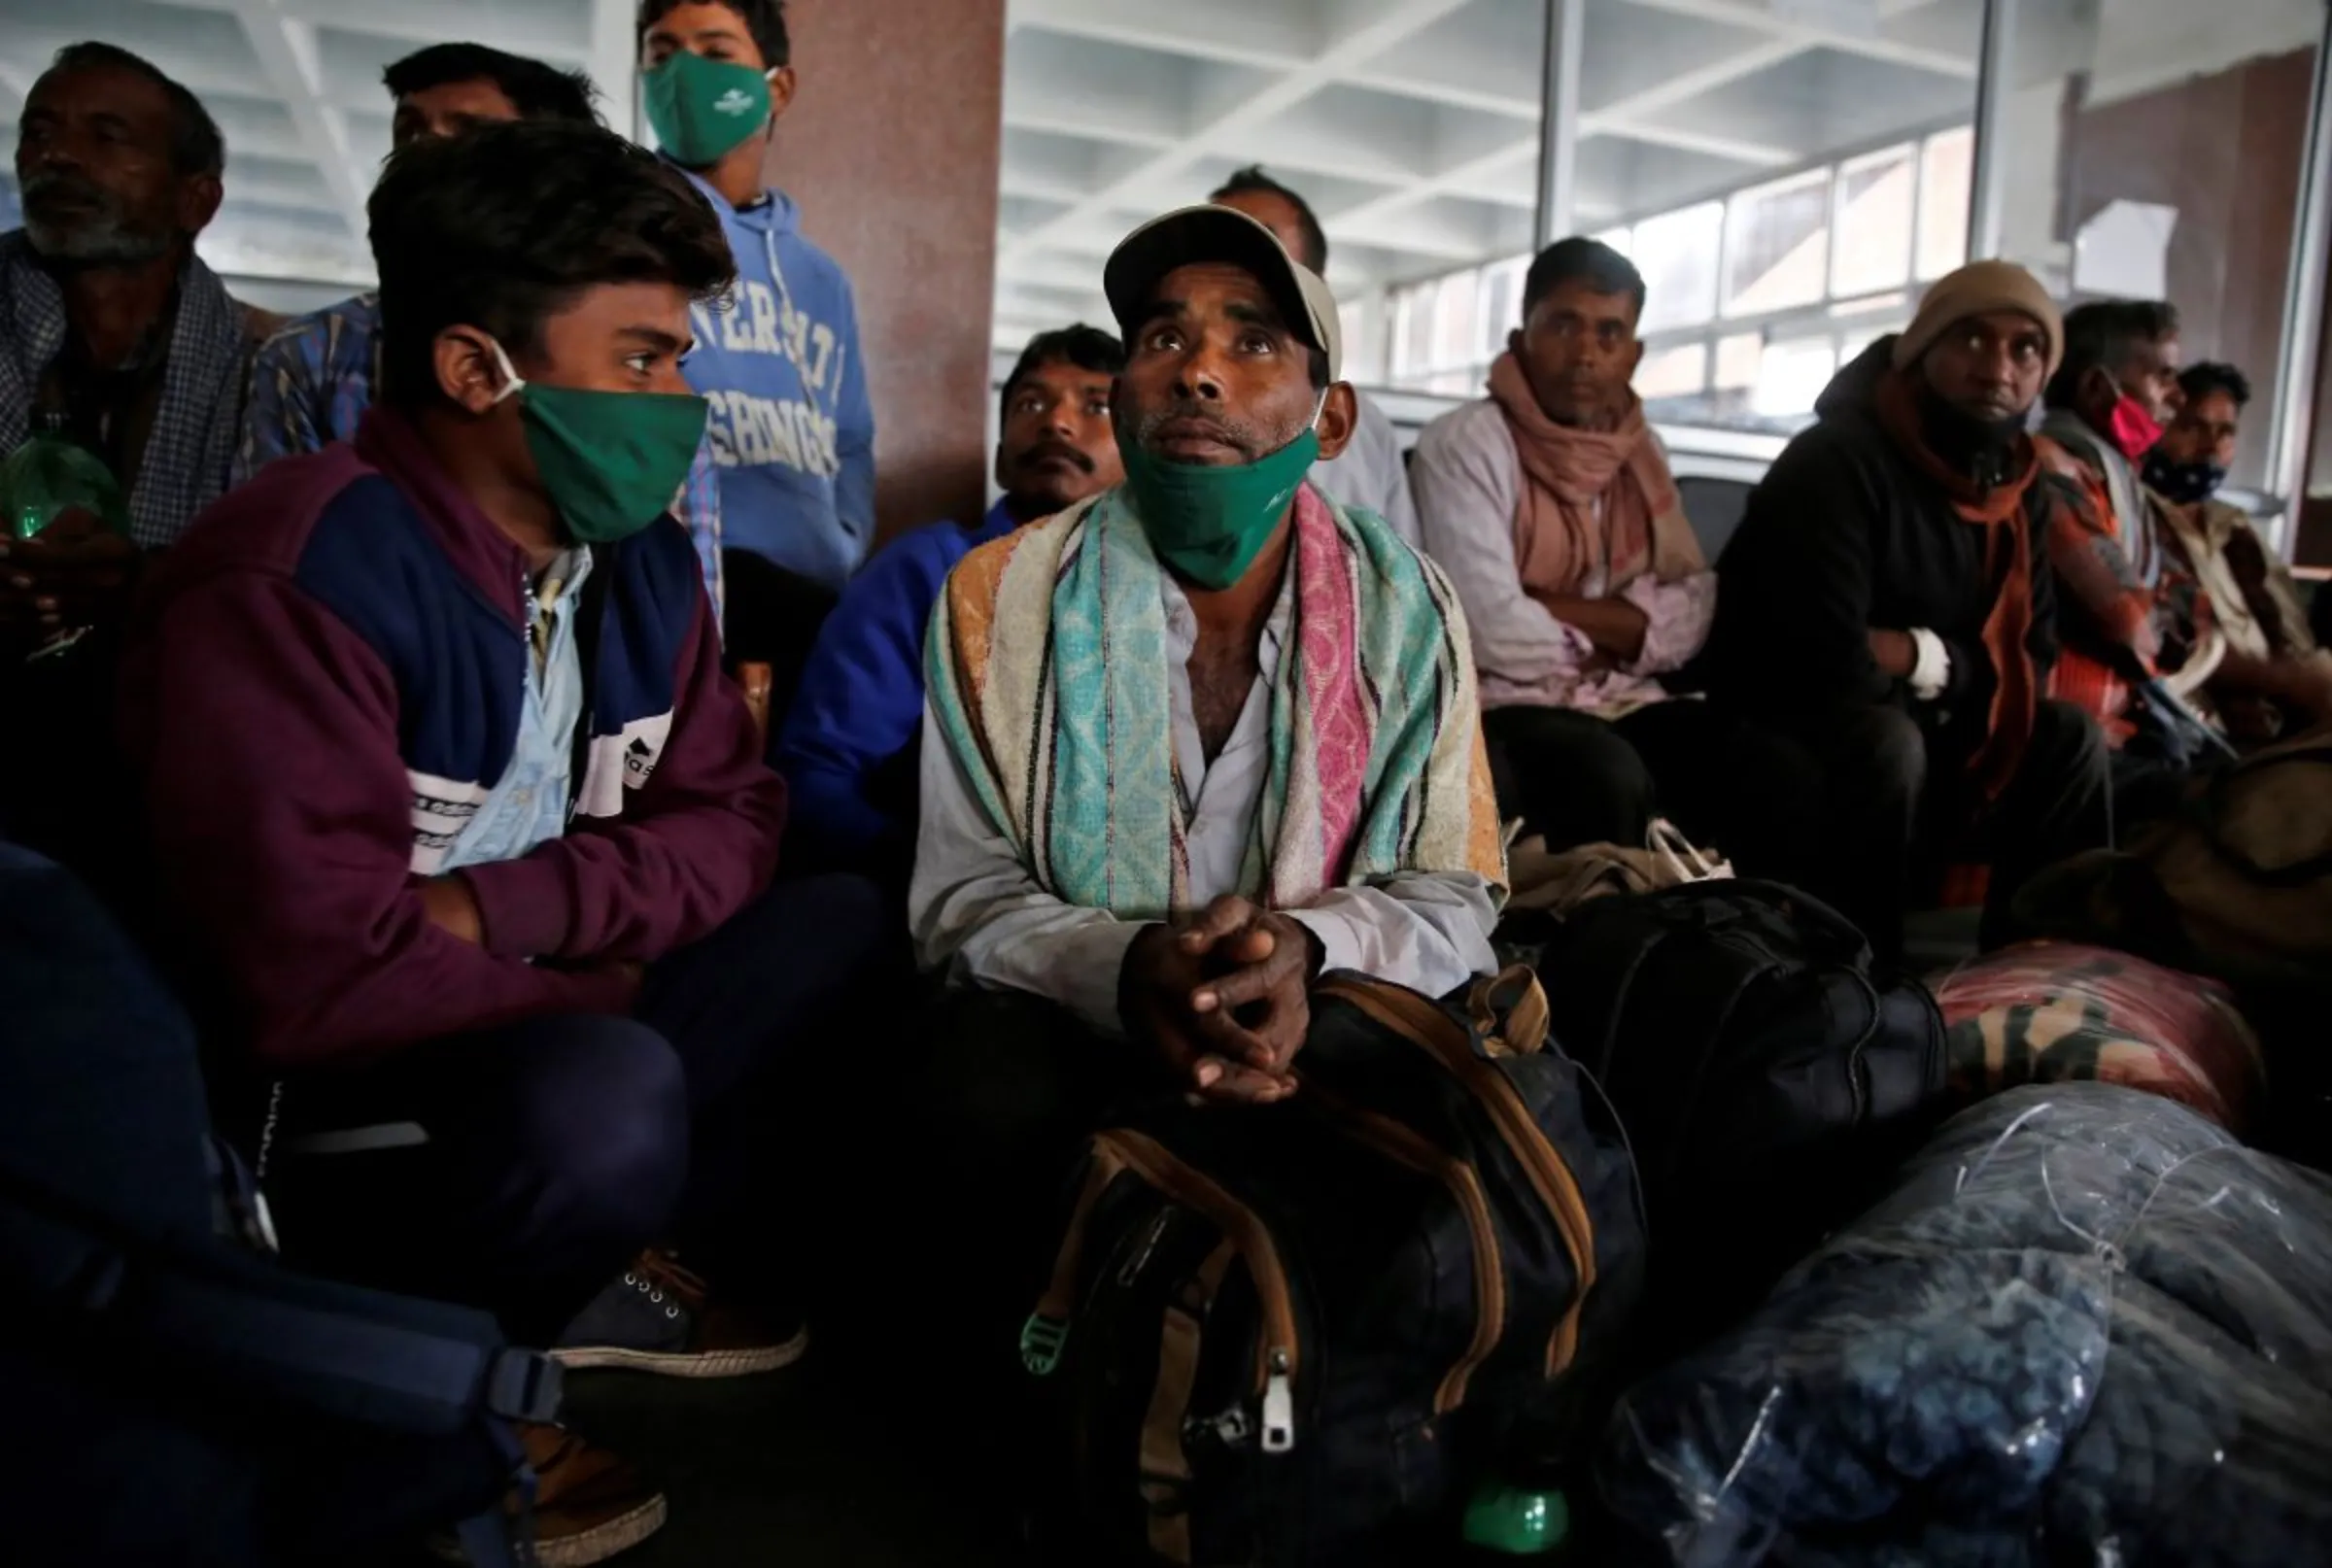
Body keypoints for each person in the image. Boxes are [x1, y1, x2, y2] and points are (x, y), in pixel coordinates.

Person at [118, 120, 892, 1565]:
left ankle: (581, 1260)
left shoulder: (641, 560)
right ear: (477, 368)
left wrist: (515, 904)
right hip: (310, 1093)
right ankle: (430, 1376)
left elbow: (736, 813)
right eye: (644, 362)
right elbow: (306, 985)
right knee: (610, 1092)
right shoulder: (295, 578)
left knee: (835, 925)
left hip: (509, 975)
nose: (682, 404)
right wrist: (600, 966)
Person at [909, 206, 1504, 1410]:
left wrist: (1306, 951)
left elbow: (1453, 887)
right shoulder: (1002, 596)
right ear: (1126, 394)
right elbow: (962, 900)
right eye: (1164, 338)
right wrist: (1126, 970)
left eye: (1255, 344)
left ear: (1330, 420)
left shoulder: (1411, 610)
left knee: (1446, 1106)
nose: (1198, 369)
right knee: (972, 1081)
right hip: (1082, 1015)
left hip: (1320, 1010)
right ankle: (1040, 1414)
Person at [225, 47, 748, 620]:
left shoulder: (654, 537)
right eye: (410, 131)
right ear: (470, 368)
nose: (426, 154)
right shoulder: (305, 569)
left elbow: (695, 667)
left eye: (472, 136)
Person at [1702, 260, 2111, 959]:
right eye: (1972, 340)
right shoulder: (1837, 459)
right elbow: (1830, 659)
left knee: (2069, 736)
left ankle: (2038, 973)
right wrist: (1950, 667)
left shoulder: (2017, 486)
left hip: (1933, 722)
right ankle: (1860, 988)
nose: (1997, 369)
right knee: (1887, 743)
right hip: (1792, 719)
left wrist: (1919, 655)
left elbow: (2031, 660)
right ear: (1922, 352)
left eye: (2025, 349)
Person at [1409, 237, 1765, 863]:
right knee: (1601, 771)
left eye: (1608, 334)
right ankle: (1604, 952)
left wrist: (1548, 605)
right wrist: (1620, 634)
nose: (1585, 354)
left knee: (1757, 756)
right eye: (1564, 325)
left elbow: (1691, 611)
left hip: (1621, 693)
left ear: (1634, 354)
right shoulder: (1465, 443)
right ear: (1522, 337)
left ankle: (1731, 941)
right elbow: (1488, 629)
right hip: (1501, 698)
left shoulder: (1639, 452)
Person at [776, 324, 1124, 881]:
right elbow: (820, 775)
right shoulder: (929, 570)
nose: (1056, 421)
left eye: (1097, 407)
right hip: (906, 886)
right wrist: (939, 879)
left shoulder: (1159, 600)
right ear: (1001, 460)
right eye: (1031, 402)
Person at [638, 0, 874, 601]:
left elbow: (850, 439)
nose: (684, 75)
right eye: (662, 55)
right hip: (685, 574)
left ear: (778, 86)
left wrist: (843, 544)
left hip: (811, 591)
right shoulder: (630, 225)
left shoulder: (822, 279)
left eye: (716, 53)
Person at [2, 44, 246, 616]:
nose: (56, 156)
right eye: (38, 133)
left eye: (106, 138)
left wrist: (146, 579)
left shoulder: (261, 368)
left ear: (196, 201)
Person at [1211, 166, 1420, 544]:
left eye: (1263, 247)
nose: (1232, 270)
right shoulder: (1169, 398)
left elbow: (1405, 567)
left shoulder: (1367, 429)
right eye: (1214, 247)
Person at [2143, 360, 2332, 742]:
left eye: (2225, 431)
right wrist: (2289, 681)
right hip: (2207, 726)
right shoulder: (2139, 518)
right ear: (2157, 428)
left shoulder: (2238, 529)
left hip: (2292, 713)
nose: (2211, 445)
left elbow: (2295, 637)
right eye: (2192, 426)